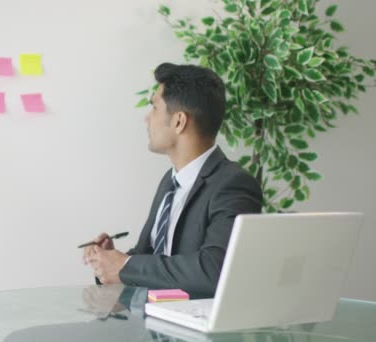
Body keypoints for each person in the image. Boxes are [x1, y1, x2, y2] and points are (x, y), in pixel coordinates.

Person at [83, 63, 263, 298]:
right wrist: (109, 261)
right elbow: (148, 256)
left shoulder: (232, 184)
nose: (146, 119)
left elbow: (215, 271)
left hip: (195, 331)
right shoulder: (170, 182)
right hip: (152, 322)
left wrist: (126, 266)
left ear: (179, 121)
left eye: (154, 108)